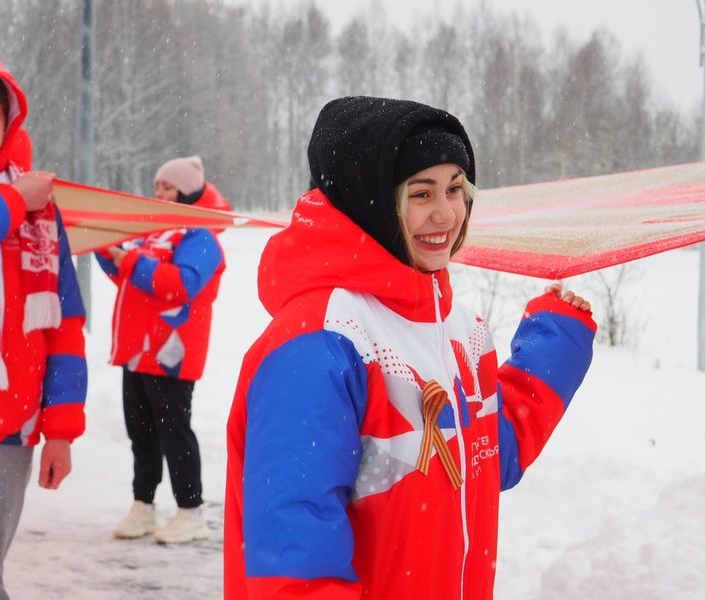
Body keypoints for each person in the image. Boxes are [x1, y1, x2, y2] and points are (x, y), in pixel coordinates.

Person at [224, 96, 597, 599]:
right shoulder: (322, 340)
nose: (446, 213)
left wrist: (558, 343)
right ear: (373, 201)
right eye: (421, 194)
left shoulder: (459, 330)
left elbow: (486, 459)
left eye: (455, 189)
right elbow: (296, 550)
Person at [0, 54, 87, 600]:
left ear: (8, 123)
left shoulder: (40, 211)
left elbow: (65, 324)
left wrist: (62, 429)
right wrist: (9, 200)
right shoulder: (21, 199)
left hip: (7, 427)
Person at [96, 155, 229, 544]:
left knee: (174, 433)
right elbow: (130, 275)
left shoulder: (202, 236)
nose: (159, 194)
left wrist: (130, 260)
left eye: (167, 187)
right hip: (138, 350)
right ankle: (144, 505)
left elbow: (181, 284)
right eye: (157, 187)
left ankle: (191, 510)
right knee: (142, 433)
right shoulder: (157, 232)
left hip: (171, 352)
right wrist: (109, 252)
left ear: (189, 192)